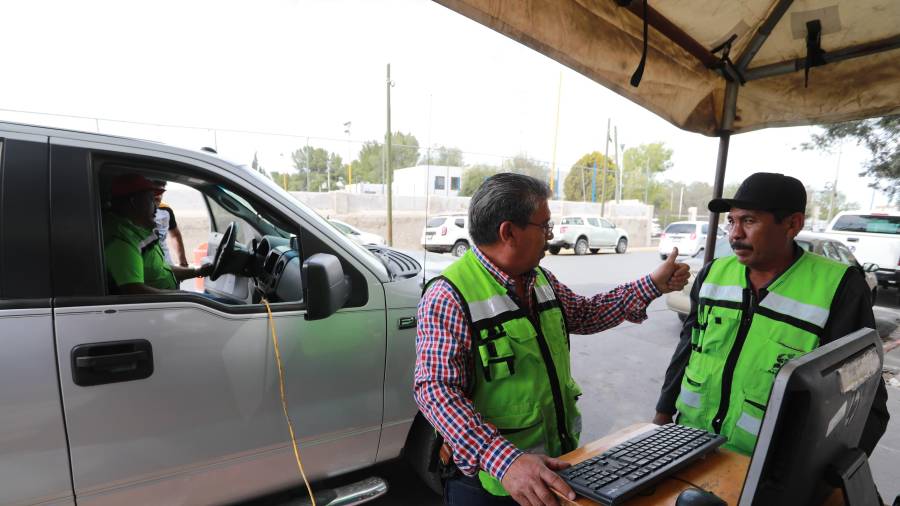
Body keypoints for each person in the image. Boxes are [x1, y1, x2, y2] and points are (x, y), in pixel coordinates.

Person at [414, 173, 690, 506]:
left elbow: (586, 314)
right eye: (544, 227)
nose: (550, 236)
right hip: (492, 483)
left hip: (559, 465)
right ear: (509, 232)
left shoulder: (540, 280)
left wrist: (653, 285)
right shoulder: (450, 295)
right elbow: (435, 390)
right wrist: (504, 461)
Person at [653, 172, 889, 458]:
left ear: (792, 224)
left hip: (769, 467)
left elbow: (863, 398)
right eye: (732, 221)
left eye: (749, 221)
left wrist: (829, 480)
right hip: (689, 444)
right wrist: (662, 419)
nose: (735, 233)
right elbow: (687, 349)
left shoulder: (839, 288)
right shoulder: (713, 274)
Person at [104, 174, 210, 294]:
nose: (156, 208)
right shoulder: (121, 242)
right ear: (134, 202)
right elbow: (134, 290)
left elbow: (160, 271)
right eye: (151, 200)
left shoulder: (135, 232)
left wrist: (198, 272)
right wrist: (182, 297)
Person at [152, 181, 189, 267]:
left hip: (167, 264)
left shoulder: (166, 210)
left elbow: (175, 235)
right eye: (155, 192)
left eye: (161, 192)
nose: (158, 196)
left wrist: (183, 261)